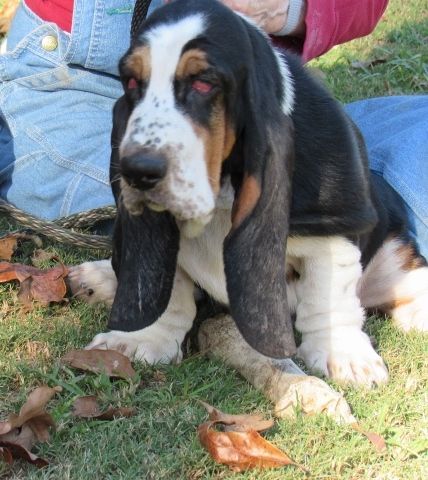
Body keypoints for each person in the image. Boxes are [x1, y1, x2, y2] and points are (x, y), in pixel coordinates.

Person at [0, 0, 427, 258]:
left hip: (239, 100)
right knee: (167, 205)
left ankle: (357, 198)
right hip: (80, 84)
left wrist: (289, 8)